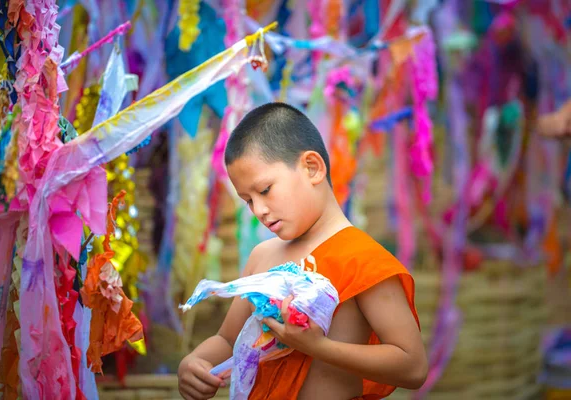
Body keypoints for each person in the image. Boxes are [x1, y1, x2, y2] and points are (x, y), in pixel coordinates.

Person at [178, 102, 427, 400]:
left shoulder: (362, 258)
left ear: (312, 168)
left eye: (265, 190)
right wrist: (194, 363)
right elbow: (227, 339)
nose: (258, 210)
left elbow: (413, 366)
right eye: (248, 200)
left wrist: (318, 348)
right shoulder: (263, 256)